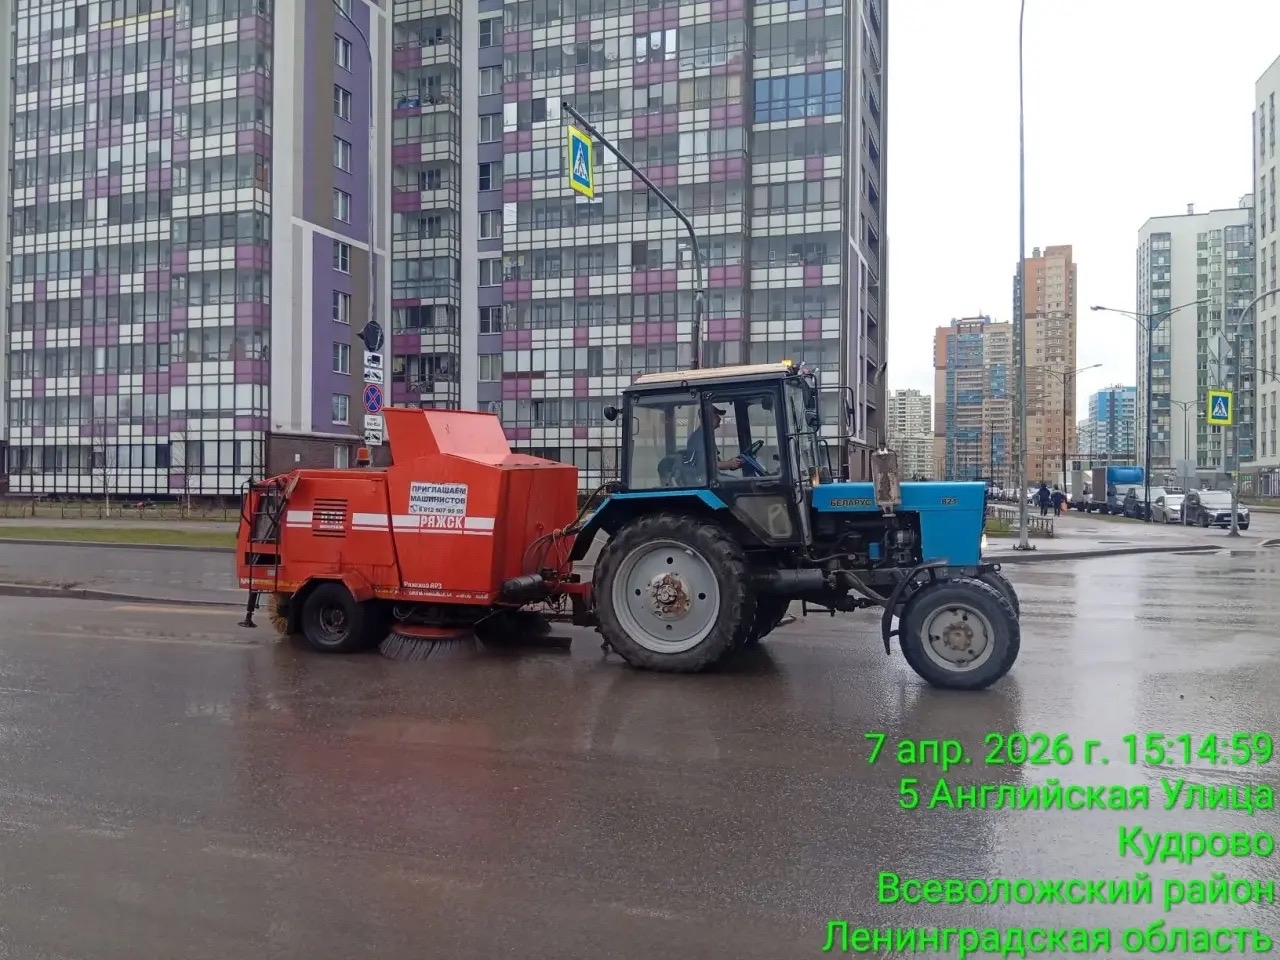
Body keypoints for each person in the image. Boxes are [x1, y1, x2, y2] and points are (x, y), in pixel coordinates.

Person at [684, 405, 741, 479]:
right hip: (702, 478)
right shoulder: (699, 438)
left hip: (710, 476)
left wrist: (732, 463)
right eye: (716, 416)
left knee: (737, 480)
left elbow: (716, 463)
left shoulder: (707, 436)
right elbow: (705, 465)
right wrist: (729, 464)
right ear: (707, 419)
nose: (720, 419)